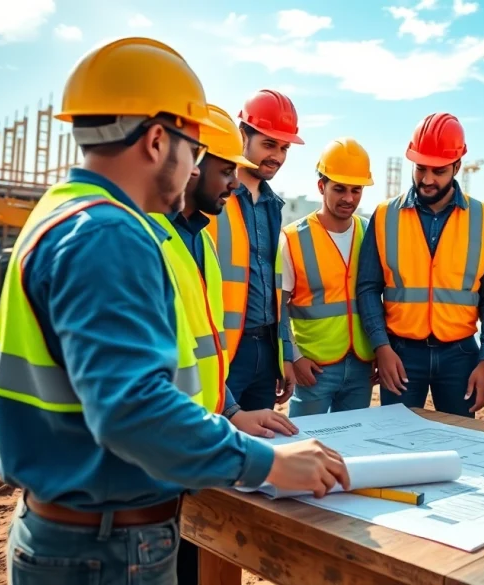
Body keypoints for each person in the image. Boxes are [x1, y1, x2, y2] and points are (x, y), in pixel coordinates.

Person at [0, 37, 348, 584]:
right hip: (106, 549)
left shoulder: (67, 211)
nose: (194, 172)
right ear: (158, 141)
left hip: (81, 534)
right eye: (194, 152)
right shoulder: (110, 235)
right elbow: (132, 408)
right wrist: (270, 463)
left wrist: (227, 413)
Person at [146, 102, 300, 585]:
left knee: (224, 508)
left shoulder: (223, 231)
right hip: (206, 380)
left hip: (241, 363)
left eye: (282, 147)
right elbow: (150, 384)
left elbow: (273, 287)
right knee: (193, 513)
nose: (234, 182)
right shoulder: (158, 237)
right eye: (227, 168)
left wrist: (279, 357)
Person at [356, 112, 484, 417]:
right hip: (400, 353)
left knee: (460, 444)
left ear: (457, 167)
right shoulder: (385, 216)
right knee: (396, 442)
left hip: (461, 355)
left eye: (438, 171)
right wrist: (381, 348)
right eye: (420, 168)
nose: (427, 179)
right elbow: (368, 287)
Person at [205, 89, 303, 412]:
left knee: (262, 450)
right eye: (268, 144)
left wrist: (285, 354)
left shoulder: (274, 207)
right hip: (228, 349)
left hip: (267, 350)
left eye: (284, 147)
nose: (277, 155)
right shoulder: (215, 200)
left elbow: (278, 292)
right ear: (242, 135)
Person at [276, 138, 377, 417]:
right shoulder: (293, 238)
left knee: (354, 450)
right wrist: (294, 357)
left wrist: (381, 349)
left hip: (362, 365)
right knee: (306, 447)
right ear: (321, 186)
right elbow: (278, 308)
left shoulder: (369, 233)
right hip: (314, 367)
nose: (349, 198)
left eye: (356, 190)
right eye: (339, 189)